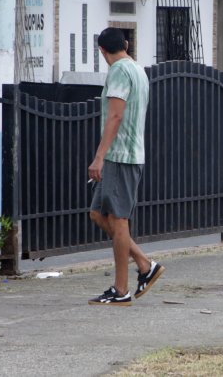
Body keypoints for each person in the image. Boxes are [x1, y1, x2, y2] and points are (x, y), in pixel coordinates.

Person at [87, 27, 162, 306]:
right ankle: (144, 263)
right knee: (97, 213)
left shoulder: (118, 70)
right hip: (128, 154)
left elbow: (116, 115)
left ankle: (121, 290)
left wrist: (99, 156)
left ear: (102, 51)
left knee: (118, 220)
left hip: (120, 155)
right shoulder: (137, 69)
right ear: (126, 44)